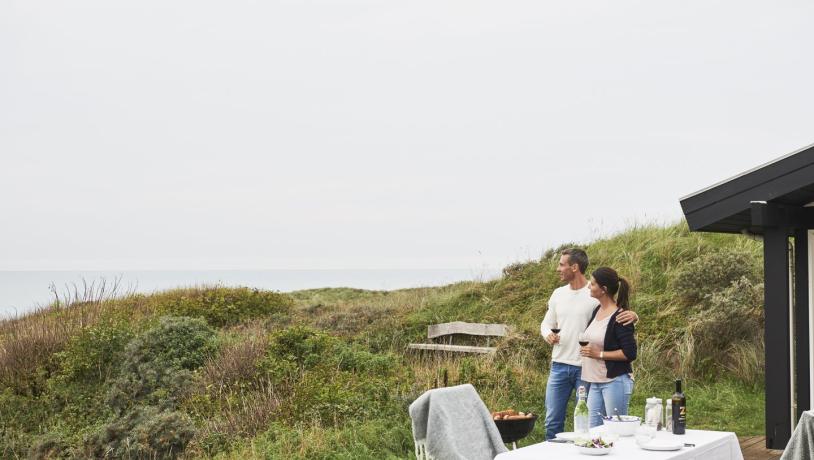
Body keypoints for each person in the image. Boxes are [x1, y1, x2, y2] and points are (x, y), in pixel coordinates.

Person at [540, 249, 638, 440]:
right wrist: (548, 334)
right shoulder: (559, 294)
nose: (557, 269)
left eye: (561, 264)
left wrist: (634, 316)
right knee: (556, 421)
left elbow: (617, 315)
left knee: (589, 425)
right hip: (561, 365)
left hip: (586, 371)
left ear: (574, 267)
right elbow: (546, 323)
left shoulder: (593, 296)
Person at [579, 266, 637, 428]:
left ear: (603, 289)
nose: (589, 286)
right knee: (593, 430)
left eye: (592, 284)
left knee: (616, 430)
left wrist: (599, 354)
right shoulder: (597, 310)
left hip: (614, 381)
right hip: (595, 381)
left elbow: (630, 353)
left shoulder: (620, 317)